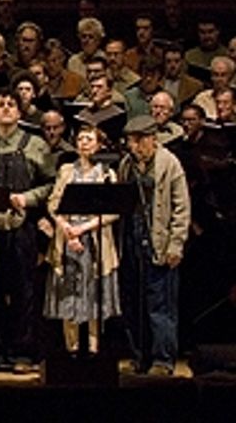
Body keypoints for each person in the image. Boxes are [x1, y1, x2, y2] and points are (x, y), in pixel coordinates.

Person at [0, 87, 55, 372]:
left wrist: (28, 198)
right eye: (0, 104)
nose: (6, 108)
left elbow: (51, 183)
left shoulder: (35, 144)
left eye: (11, 104)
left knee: (24, 290)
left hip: (22, 226)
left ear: (20, 111)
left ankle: (23, 350)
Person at [117, 114, 190, 376]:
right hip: (132, 239)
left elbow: (182, 209)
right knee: (134, 304)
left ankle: (163, 359)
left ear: (152, 139)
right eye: (130, 141)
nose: (134, 147)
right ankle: (140, 356)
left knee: (161, 306)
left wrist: (176, 245)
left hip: (158, 240)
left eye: (139, 141)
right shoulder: (127, 164)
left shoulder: (169, 164)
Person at [43, 123, 121, 356]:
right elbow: (53, 203)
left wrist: (84, 229)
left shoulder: (107, 173)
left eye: (89, 139)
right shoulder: (67, 170)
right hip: (68, 239)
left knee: (93, 295)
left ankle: (94, 349)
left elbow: (113, 210)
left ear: (98, 144)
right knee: (69, 294)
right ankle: (72, 349)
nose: (84, 143)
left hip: (94, 239)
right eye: (80, 139)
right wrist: (67, 229)